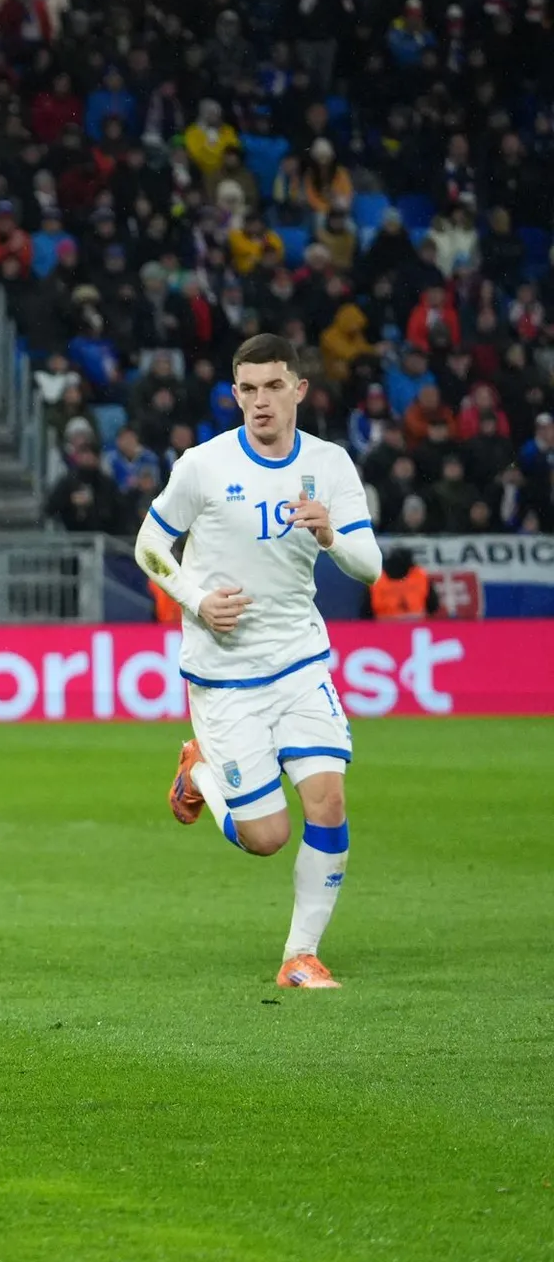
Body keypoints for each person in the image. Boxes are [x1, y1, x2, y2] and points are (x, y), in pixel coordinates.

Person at [134, 333, 383, 991]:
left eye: (274, 386)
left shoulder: (330, 464)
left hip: (300, 662)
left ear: (300, 388)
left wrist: (330, 533)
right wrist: (196, 600)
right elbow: (149, 545)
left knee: (328, 801)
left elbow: (369, 566)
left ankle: (301, 956)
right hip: (224, 675)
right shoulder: (203, 466)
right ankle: (198, 772)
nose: (261, 401)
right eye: (248, 389)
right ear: (235, 394)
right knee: (266, 836)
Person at [364, 546, 438, 620]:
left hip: (415, 622)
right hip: (385, 623)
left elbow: (432, 605)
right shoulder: (378, 580)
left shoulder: (420, 576)